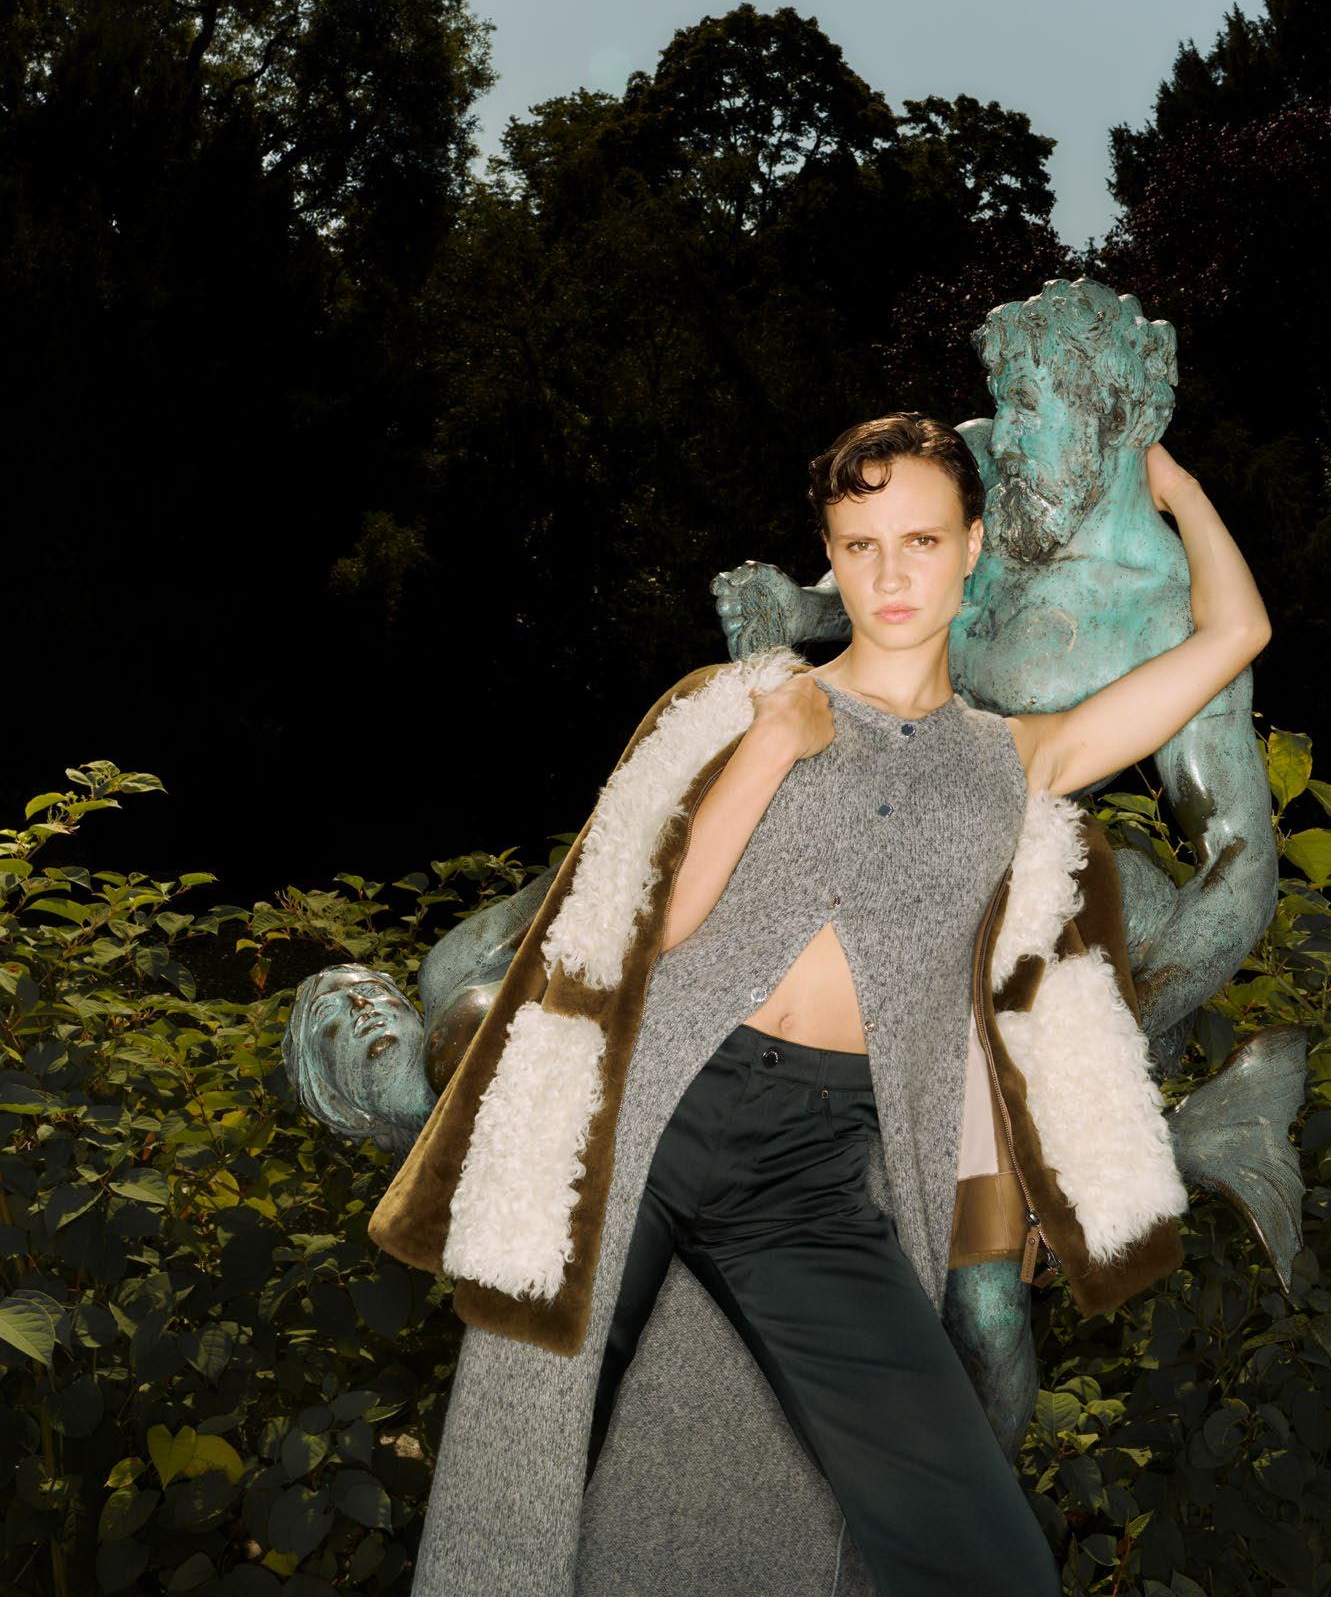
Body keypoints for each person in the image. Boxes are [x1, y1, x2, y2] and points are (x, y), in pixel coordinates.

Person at [373, 410, 1269, 1595]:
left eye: (921, 541)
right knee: (525, 1476)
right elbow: (657, 915)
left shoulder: (1019, 756)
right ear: (831, 557)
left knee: (984, 1550)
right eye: (859, 545)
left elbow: (1237, 631)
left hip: (810, 1175)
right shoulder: (742, 705)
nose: (890, 575)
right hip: (646, 1119)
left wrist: (1175, 486)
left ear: (973, 545)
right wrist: (769, 746)